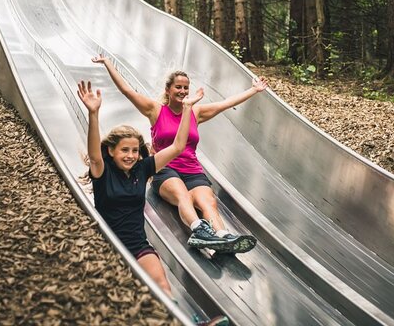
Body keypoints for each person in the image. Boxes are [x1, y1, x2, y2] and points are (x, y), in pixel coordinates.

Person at [78, 80, 229, 326]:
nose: (130, 156)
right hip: (108, 243)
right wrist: (93, 113)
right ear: (112, 152)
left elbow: (179, 146)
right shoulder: (103, 172)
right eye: (124, 150)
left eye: (135, 150)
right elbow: (94, 155)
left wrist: (188, 108)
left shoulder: (143, 168)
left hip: (138, 244)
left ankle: (185, 323)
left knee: (162, 287)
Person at [92, 55, 269, 253]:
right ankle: (199, 231)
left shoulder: (196, 112)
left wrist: (254, 90)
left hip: (192, 169)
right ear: (168, 90)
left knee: (208, 201)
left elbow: (226, 103)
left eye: (186, 87)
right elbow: (127, 90)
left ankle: (223, 237)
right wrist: (108, 63)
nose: (183, 91)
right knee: (183, 195)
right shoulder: (155, 110)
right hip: (165, 168)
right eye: (178, 87)